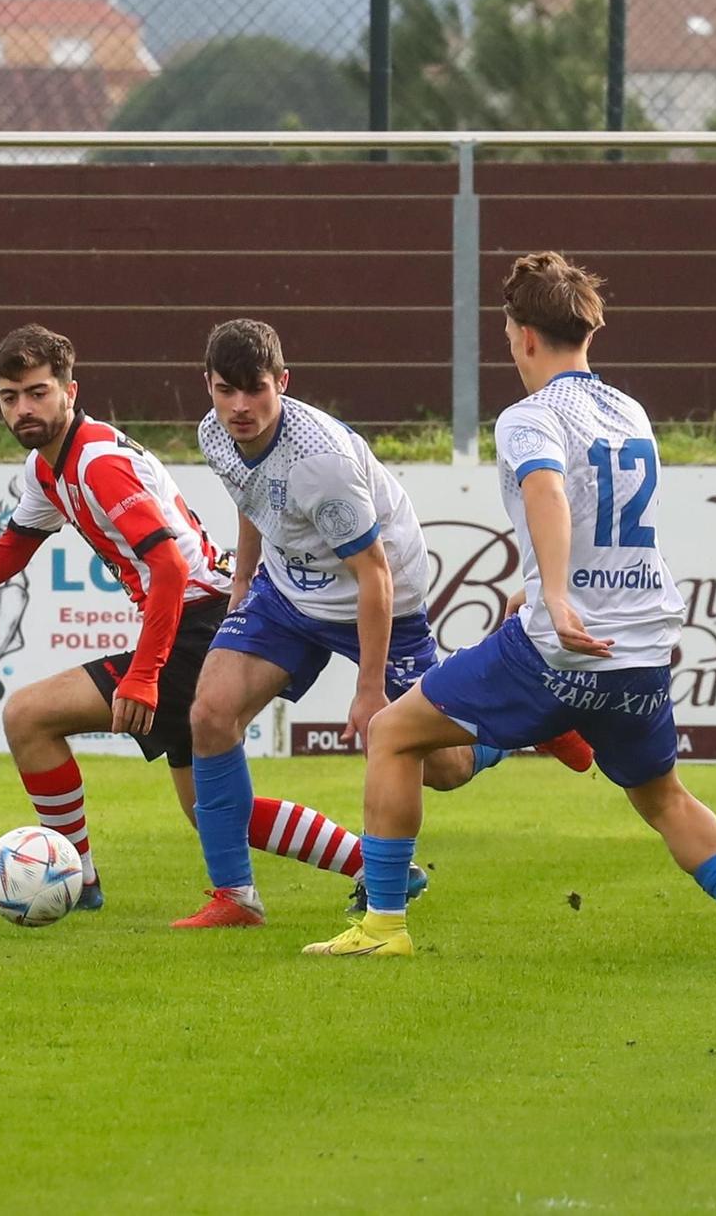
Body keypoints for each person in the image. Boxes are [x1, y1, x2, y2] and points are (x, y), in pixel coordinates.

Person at [303, 253, 716, 960]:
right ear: (589, 331)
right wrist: (546, 587)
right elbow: (600, 516)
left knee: (395, 733)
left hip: (559, 647)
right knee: (664, 797)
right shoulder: (628, 409)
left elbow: (548, 490)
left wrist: (553, 593)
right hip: (639, 652)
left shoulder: (528, 417)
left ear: (521, 335)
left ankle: (384, 926)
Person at [0, 324, 392, 909]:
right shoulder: (49, 468)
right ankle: (381, 867)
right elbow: (10, 550)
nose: (24, 409)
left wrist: (144, 672)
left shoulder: (97, 463)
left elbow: (171, 571)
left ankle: (77, 883)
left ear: (69, 392)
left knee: (29, 717)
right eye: (10, 397)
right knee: (209, 811)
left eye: (37, 393)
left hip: (196, 624)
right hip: (189, 622)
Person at [185, 317, 594, 929]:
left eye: (256, 390)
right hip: (287, 589)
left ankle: (520, 727)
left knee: (442, 768)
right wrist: (243, 582)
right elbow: (252, 497)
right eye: (225, 390)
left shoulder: (318, 463)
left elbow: (372, 576)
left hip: (380, 594)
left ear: (283, 383)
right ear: (208, 386)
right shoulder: (215, 434)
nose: (240, 407)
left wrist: (369, 690)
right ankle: (235, 898)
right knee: (210, 714)